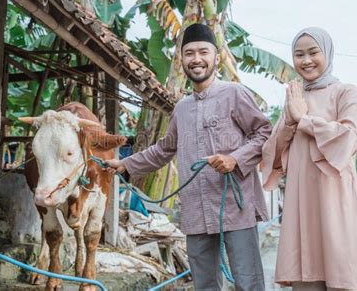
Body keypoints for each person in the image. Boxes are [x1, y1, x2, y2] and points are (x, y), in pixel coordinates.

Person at [106, 23, 271, 291]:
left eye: (203, 52)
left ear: (216, 57)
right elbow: (164, 148)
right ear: (181, 59)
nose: (196, 59)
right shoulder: (181, 108)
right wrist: (125, 164)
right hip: (195, 210)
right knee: (204, 285)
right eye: (189, 53)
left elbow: (264, 132)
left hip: (234, 207)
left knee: (248, 283)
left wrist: (235, 159)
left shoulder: (234, 93)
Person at [261, 27, 357, 291]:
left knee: (342, 274)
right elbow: (273, 151)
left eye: (313, 52)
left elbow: (349, 139)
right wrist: (291, 120)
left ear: (326, 53)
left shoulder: (345, 92)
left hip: (335, 197)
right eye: (298, 54)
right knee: (306, 279)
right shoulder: (295, 97)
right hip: (301, 200)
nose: (306, 61)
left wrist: (304, 119)